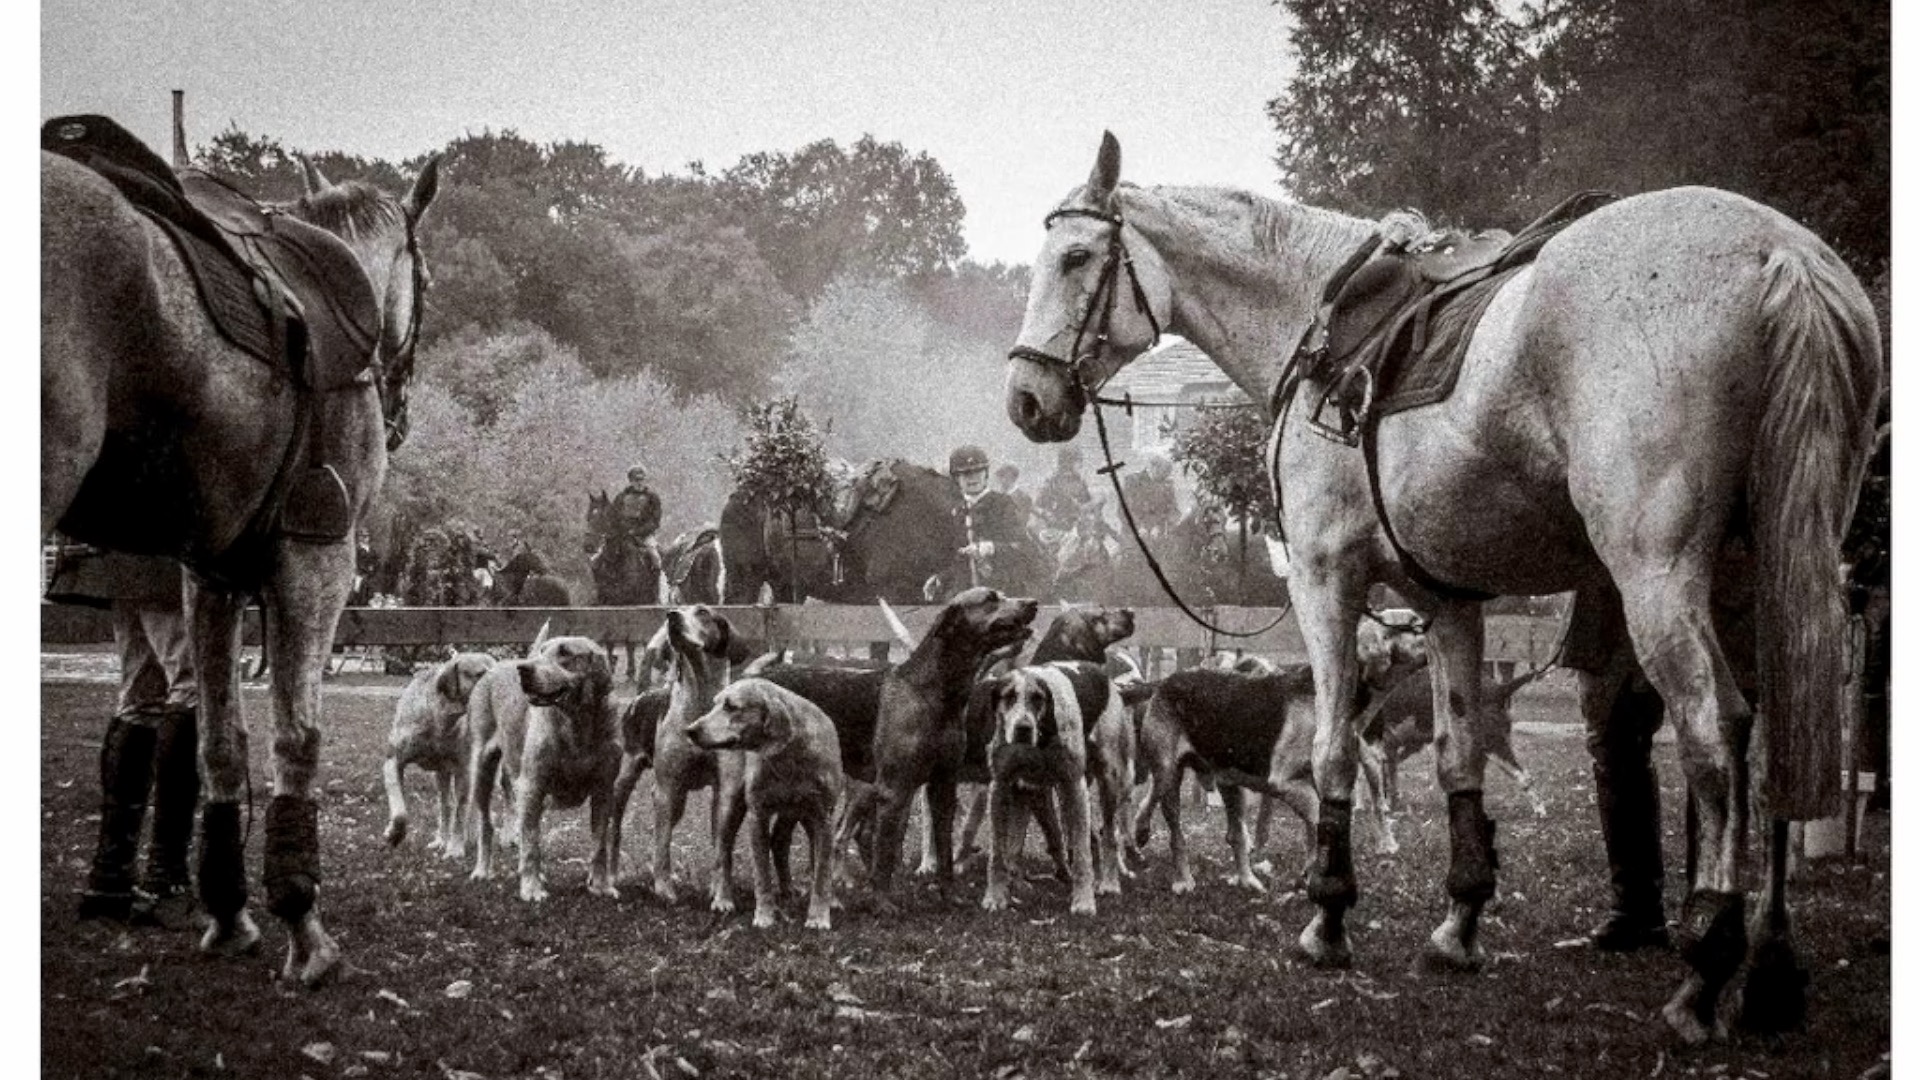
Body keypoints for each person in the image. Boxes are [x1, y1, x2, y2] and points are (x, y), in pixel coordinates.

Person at [45, 545, 201, 928]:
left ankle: (110, 878)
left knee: (140, 700)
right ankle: (166, 880)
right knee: (190, 687)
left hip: (118, 558)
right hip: (165, 557)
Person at [928, 445, 1043, 599]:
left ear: (986, 473)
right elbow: (958, 561)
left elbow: (1023, 549)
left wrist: (990, 548)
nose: (972, 478)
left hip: (1003, 593)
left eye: (978, 471)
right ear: (956, 478)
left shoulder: (1003, 504)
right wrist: (941, 579)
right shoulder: (957, 511)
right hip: (966, 598)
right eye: (965, 474)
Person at [612, 464, 665, 575]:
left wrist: (638, 531)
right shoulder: (621, 497)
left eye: (642, 479)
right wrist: (624, 529)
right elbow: (614, 517)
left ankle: (661, 585)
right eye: (636, 480)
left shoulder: (652, 498)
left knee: (656, 557)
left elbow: (655, 521)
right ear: (630, 481)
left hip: (644, 536)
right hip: (623, 535)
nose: (639, 483)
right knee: (600, 557)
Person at [1034, 445, 1093, 544]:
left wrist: (1084, 512)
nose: (1080, 465)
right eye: (1078, 461)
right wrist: (1047, 514)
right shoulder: (1052, 482)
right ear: (1068, 462)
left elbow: (1087, 504)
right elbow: (1038, 505)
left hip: (1077, 528)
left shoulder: (1080, 482)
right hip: (1056, 528)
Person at [1123, 452, 1181, 540]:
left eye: (1166, 475)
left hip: (1160, 535)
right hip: (1134, 534)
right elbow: (1124, 510)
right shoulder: (1132, 481)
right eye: (1163, 473)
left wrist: (1160, 526)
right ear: (1152, 468)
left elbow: (1173, 510)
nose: (1164, 478)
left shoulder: (1167, 485)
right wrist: (1139, 527)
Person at [993, 463, 1035, 531]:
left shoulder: (1023, 498)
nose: (1002, 480)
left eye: (1006, 477)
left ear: (1013, 478)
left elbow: (1022, 521)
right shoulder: (995, 497)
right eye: (1000, 477)